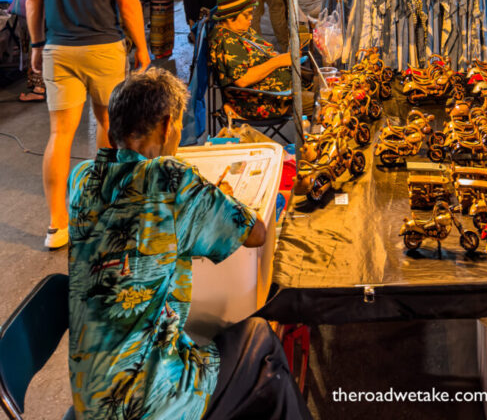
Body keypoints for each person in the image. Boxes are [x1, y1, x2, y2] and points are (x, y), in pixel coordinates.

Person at [68, 69, 310, 420]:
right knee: (260, 339)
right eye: (178, 125)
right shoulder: (170, 179)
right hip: (149, 403)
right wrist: (214, 200)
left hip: (91, 401)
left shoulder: (82, 180)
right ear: (167, 126)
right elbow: (255, 233)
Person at [25, 0, 150, 249]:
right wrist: (142, 48)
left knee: (59, 135)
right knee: (108, 127)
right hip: (103, 48)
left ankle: (56, 226)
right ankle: (102, 210)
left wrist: (36, 45)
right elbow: (128, 3)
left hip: (58, 49)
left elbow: (33, 1)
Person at [208, 0, 294, 118]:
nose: (251, 18)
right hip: (264, 101)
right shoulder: (227, 41)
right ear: (231, 16)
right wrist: (277, 62)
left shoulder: (240, 30)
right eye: (247, 14)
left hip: (281, 92)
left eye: (251, 12)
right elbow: (242, 80)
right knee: (320, 101)